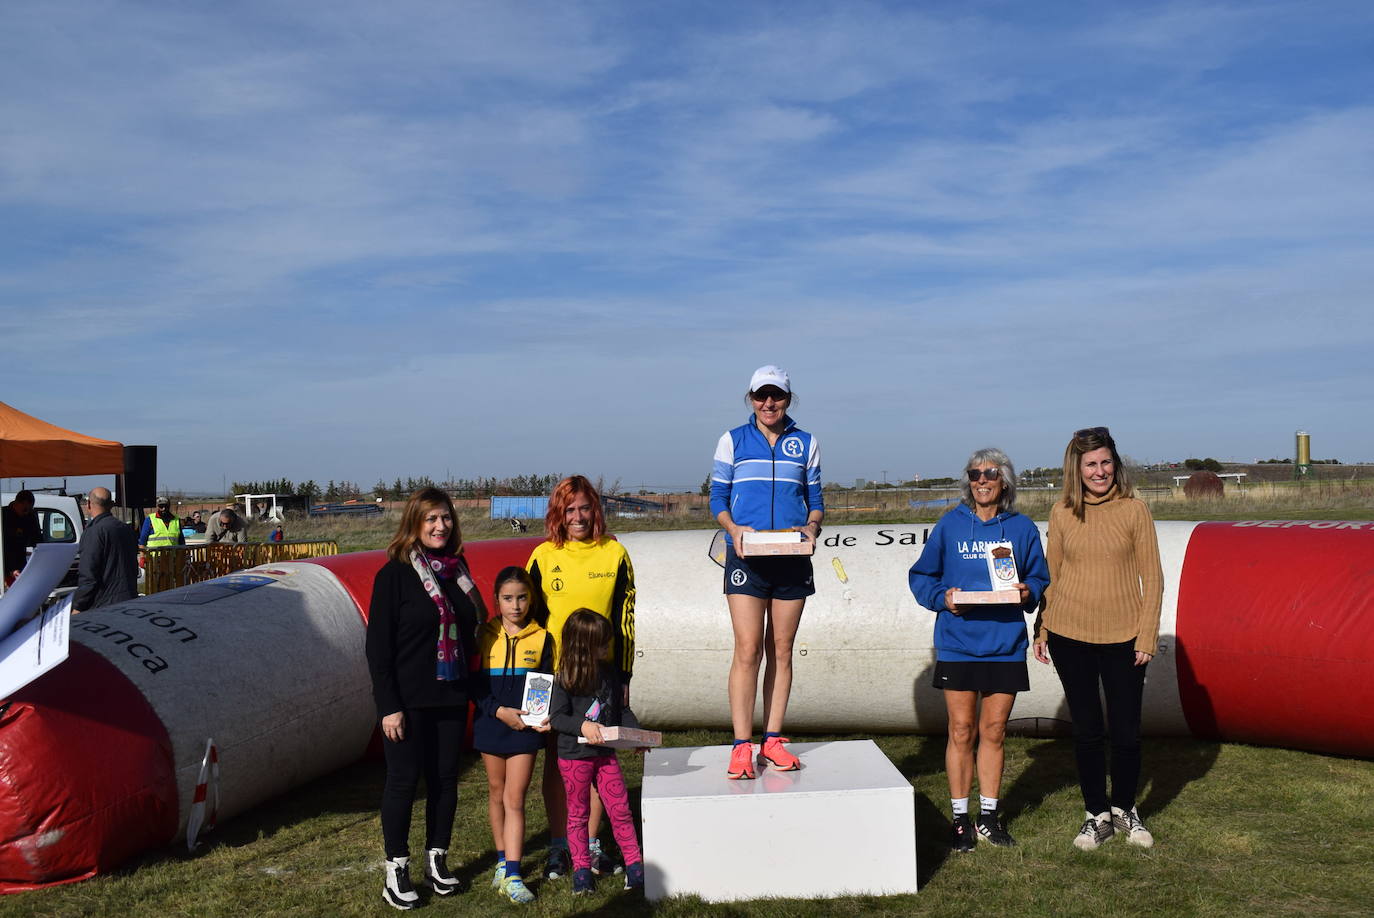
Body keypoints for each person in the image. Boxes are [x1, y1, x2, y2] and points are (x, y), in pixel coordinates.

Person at [908, 448, 1050, 852]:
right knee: (961, 730)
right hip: (957, 644)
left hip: (1005, 645)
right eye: (975, 474)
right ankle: (959, 820)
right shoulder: (950, 526)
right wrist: (943, 598)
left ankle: (988, 817)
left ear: (1004, 481)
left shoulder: (1021, 529)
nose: (982, 481)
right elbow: (921, 576)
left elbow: (1041, 576)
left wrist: (1029, 591)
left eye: (990, 474)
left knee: (993, 731)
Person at [1033, 427, 1163, 850]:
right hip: (1070, 635)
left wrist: (1146, 635)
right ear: (1078, 468)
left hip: (1125, 637)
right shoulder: (1061, 512)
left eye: (1106, 462)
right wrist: (1042, 627)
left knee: (1126, 732)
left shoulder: (1135, 510)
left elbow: (1154, 577)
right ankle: (1096, 814)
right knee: (1087, 730)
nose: (1100, 471)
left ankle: (1126, 808)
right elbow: (1049, 576)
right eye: (1091, 464)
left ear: (1115, 465)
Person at [365, 487, 484, 909]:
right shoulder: (394, 574)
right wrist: (388, 706)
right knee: (403, 781)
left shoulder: (458, 570)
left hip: (450, 695)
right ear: (414, 523)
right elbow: (378, 649)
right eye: (431, 519)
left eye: (446, 518)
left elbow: (472, 631)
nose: (440, 526)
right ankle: (396, 868)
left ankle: (438, 858)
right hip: (408, 701)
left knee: (445, 780)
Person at [709, 365, 823, 779]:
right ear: (751, 398)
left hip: (792, 558)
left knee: (782, 648)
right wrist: (734, 528)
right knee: (747, 649)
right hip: (746, 558)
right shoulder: (732, 440)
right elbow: (718, 496)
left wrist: (811, 527)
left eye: (776, 396)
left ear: (788, 399)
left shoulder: (806, 442)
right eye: (761, 396)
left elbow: (816, 500)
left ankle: (772, 739)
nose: (768, 403)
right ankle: (742, 745)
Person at [526, 475, 636, 880]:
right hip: (554, 678)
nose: (577, 517)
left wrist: (623, 677)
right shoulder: (541, 555)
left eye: (584, 508)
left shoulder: (615, 553)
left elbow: (626, 621)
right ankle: (559, 845)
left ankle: (588, 847)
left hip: (601, 679)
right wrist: (535, 688)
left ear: (596, 510)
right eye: (569, 509)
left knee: (594, 756)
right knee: (558, 764)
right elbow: (530, 625)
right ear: (558, 513)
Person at [548, 610, 646, 895]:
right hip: (574, 757)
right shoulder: (565, 678)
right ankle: (581, 871)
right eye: (601, 643)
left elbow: (621, 711)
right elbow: (557, 718)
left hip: (605, 756)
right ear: (582, 645)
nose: (606, 648)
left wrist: (635, 734)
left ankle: (635, 866)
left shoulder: (610, 673)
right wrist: (583, 725)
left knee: (621, 810)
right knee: (578, 814)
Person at [473, 566, 553, 904]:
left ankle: (515, 874)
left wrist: (537, 717)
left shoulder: (542, 636)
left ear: (531, 599)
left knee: (515, 797)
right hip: (491, 722)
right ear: (497, 600)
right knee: (495, 792)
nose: (516, 605)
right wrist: (496, 711)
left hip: (524, 728)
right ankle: (502, 862)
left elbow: (545, 683)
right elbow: (474, 685)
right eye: (508, 598)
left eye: (522, 598)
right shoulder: (484, 634)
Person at [73, 487, 138, 613]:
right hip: (129, 600)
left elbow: (89, 574)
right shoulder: (126, 529)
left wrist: (78, 606)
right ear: (111, 505)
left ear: (88, 505)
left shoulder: (94, 532)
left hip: (104, 605)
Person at [3, 490, 40, 586]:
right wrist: (9, 570)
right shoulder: (3, 516)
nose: (26, 513)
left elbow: (37, 539)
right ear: (18, 503)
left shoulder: (30, 516)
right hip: (5, 567)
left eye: (29, 510)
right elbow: (5, 546)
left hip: (21, 564)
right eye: (25, 509)